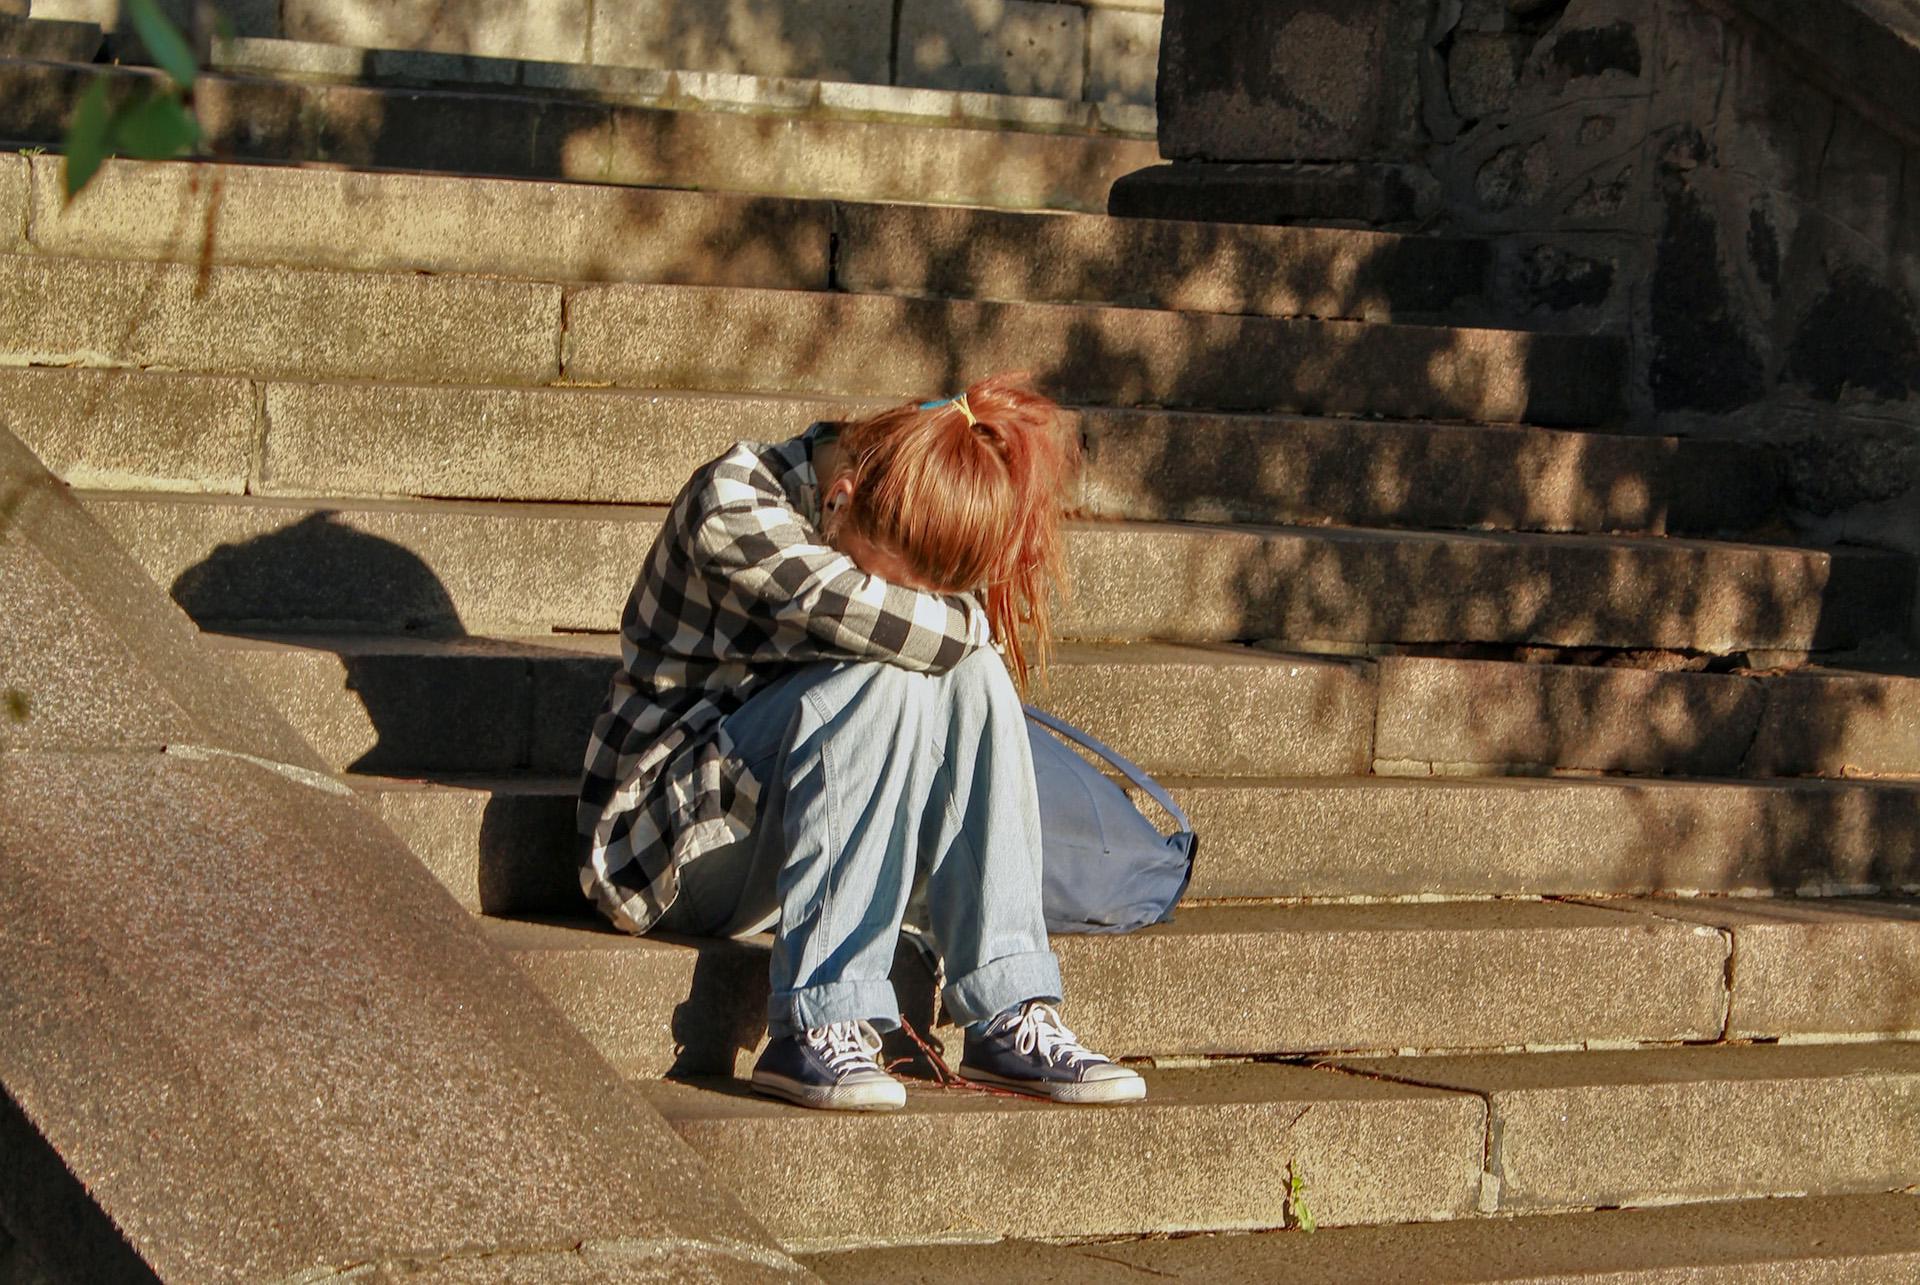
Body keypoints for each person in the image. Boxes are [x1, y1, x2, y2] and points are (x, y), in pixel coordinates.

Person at [577, 373, 1145, 1111]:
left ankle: (1008, 1004)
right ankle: (819, 1022)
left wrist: (959, 631)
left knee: (961, 675)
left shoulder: (873, 510)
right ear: (839, 496)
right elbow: (930, 632)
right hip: (663, 847)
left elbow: (945, 644)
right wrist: (964, 623)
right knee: (898, 669)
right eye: (892, 580)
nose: (909, 599)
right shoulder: (736, 502)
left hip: (786, 838)